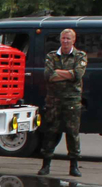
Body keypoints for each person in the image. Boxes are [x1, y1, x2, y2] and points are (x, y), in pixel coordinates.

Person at [37, 27, 86, 177]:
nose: (65, 41)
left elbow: (77, 74)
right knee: (51, 132)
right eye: (63, 38)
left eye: (68, 39)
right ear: (60, 39)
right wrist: (68, 74)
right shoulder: (52, 56)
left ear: (73, 40)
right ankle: (46, 165)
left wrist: (59, 73)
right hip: (53, 100)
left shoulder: (80, 55)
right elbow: (48, 75)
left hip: (72, 100)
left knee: (72, 133)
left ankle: (74, 166)